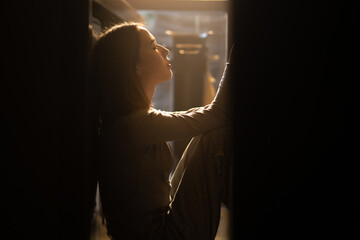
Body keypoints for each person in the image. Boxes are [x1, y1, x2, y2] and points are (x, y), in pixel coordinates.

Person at [91, 21, 233, 240]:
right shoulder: (135, 125)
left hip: (159, 228)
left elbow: (207, 116)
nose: (165, 50)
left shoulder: (126, 122)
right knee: (214, 138)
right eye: (153, 45)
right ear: (134, 67)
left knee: (205, 134)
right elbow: (218, 114)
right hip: (161, 236)